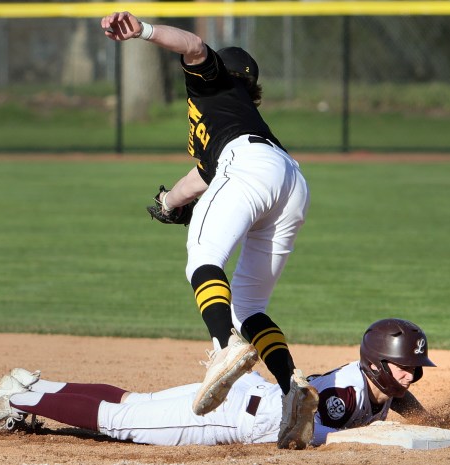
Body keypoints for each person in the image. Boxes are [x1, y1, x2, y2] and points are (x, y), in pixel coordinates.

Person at [99, 12, 315, 449]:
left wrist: (142, 31)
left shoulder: (211, 83)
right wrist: (169, 202)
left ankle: (224, 348)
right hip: (291, 182)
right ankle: (293, 390)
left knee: (203, 258)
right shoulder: (237, 115)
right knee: (249, 306)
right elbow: (203, 176)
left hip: (249, 167)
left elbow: (194, 45)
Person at [0, 318, 436, 448]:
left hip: (249, 394)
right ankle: (19, 399)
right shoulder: (342, 397)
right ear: (376, 365)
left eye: (414, 369)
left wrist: (426, 421)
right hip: (238, 417)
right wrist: (377, 439)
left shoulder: (371, 384)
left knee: (137, 401)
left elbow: (401, 401)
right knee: (120, 420)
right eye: (403, 368)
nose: (410, 375)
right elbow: (305, 437)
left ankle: (36, 383)